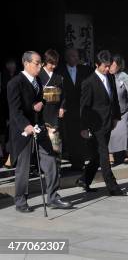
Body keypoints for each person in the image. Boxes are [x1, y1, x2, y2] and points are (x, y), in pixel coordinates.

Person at [8, 51, 73, 212]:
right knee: (23, 167)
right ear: (26, 63)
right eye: (36, 63)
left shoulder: (37, 80)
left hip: (40, 126)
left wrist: (40, 104)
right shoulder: (15, 83)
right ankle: (21, 200)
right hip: (23, 130)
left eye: (39, 63)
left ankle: (53, 196)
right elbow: (15, 110)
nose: (39, 66)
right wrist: (26, 125)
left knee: (51, 160)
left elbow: (41, 99)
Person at [77, 50, 125, 196]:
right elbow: (84, 107)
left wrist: (116, 117)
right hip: (96, 123)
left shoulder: (110, 78)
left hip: (109, 121)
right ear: (97, 65)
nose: (107, 69)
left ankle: (84, 179)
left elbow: (114, 98)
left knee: (98, 156)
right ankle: (113, 187)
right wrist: (84, 127)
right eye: (104, 66)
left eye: (109, 66)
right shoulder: (89, 82)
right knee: (104, 155)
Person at [57, 48, 92, 171]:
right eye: (72, 56)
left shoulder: (85, 70)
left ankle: (81, 161)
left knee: (82, 135)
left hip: (81, 108)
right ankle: (74, 161)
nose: (75, 58)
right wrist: (61, 106)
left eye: (76, 56)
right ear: (67, 58)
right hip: (67, 109)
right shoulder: (59, 71)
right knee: (70, 136)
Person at [108, 54, 128, 165]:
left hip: (123, 111)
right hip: (110, 112)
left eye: (113, 64)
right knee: (110, 134)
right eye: (109, 64)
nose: (110, 67)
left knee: (125, 132)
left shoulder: (125, 77)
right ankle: (110, 155)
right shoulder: (105, 76)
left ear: (119, 65)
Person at [39, 49, 65, 157]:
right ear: (45, 61)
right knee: (41, 139)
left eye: (55, 64)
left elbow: (64, 94)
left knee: (55, 139)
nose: (53, 66)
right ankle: (39, 166)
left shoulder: (59, 77)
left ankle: (57, 165)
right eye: (51, 63)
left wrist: (62, 107)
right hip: (42, 110)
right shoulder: (38, 74)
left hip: (54, 111)